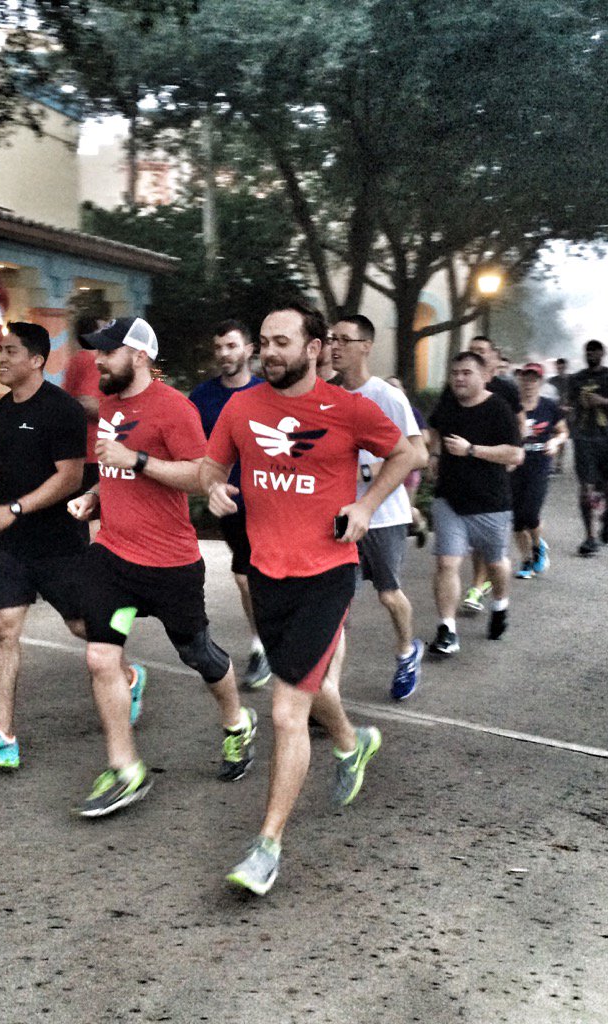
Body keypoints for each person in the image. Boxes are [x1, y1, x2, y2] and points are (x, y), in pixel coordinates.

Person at [201, 302, 415, 896]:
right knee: (312, 682)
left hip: (328, 572)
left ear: (314, 347)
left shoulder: (348, 410)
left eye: (282, 342)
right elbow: (208, 466)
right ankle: (353, 743)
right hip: (269, 576)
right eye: (264, 342)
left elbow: (408, 453)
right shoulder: (243, 407)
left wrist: (367, 507)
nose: (269, 352)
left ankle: (266, 847)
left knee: (284, 710)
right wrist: (215, 488)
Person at [67, 316, 256, 818]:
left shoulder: (177, 409)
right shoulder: (108, 405)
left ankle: (237, 722)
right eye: (97, 352)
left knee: (200, 656)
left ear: (141, 357)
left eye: (108, 352)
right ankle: (126, 768)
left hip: (171, 564)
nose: (98, 361)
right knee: (100, 658)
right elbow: (112, 472)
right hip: (113, 556)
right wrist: (93, 497)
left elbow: (202, 476)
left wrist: (138, 461)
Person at [0, 322, 145, 770]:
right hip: (14, 545)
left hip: (58, 543)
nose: (1, 359)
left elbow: (70, 478)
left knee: (81, 626)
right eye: (0, 351)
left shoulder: (62, 410)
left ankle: (128, 676)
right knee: (3, 628)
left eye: (10, 351)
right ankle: (2, 737)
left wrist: (10, 510)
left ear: (36, 360)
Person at [330, 316, 429, 700]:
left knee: (389, 594)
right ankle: (329, 695)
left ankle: (407, 652)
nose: (334, 346)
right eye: (331, 339)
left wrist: (369, 467)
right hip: (341, 514)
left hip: (385, 514)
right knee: (339, 607)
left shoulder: (387, 395)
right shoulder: (327, 394)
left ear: (366, 346)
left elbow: (418, 454)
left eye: (344, 339)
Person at [189, 319, 270, 689]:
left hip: (272, 500)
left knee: (263, 575)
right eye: (220, 347)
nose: (224, 354)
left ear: (249, 350)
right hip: (229, 503)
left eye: (232, 346)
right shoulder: (202, 397)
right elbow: (190, 449)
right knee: (244, 577)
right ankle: (262, 645)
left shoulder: (268, 393)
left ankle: (272, 644)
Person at [427, 351, 524, 656]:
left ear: (484, 376)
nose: (459, 378)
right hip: (449, 499)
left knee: (496, 563)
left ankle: (500, 605)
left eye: (466, 372)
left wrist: (471, 450)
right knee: (447, 562)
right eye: (455, 372)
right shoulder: (447, 404)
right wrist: (432, 454)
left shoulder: (498, 409)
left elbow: (515, 455)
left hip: (491, 502)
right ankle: (447, 629)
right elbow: (434, 429)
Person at [459, 336, 523, 613]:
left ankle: (481, 585)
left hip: (499, 468)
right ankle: (478, 582)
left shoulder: (505, 390)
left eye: (482, 352)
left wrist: (510, 459)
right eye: (473, 351)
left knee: (492, 539)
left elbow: (518, 424)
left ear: (494, 358)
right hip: (468, 470)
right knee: (476, 539)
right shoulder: (459, 386)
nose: (477, 355)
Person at [568, 340, 608, 556]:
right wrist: (571, 421)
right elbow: (570, 406)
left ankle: (606, 519)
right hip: (584, 438)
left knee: (607, 486)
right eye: (588, 351)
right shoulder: (576, 379)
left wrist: (602, 401)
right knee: (586, 487)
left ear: (602, 353)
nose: (591, 355)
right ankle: (589, 537)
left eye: (595, 351)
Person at [511, 363, 568, 579]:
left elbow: (563, 431)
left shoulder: (549, 407)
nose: (529, 383)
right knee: (516, 520)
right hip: (514, 465)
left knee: (530, 513)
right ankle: (526, 561)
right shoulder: (511, 406)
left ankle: (537, 545)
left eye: (534, 379)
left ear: (540, 382)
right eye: (526, 378)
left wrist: (555, 441)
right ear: (520, 380)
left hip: (539, 465)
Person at [62, 313, 107, 539]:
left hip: (82, 451)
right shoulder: (91, 359)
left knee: (84, 516)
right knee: (95, 516)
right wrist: (118, 414)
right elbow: (86, 402)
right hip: (94, 452)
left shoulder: (75, 360)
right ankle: (95, 567)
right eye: (104, 330)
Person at [387, 375, 431, 546]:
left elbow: (425, 437)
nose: (392, 390)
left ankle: (418, 523)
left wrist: (405, 441)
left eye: (396, 386)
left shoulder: (411, 412)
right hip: (386, 466)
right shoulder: (380, 410)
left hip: (409, 469)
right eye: (388, 386)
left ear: (404, 391)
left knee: (403, 507)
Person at [547, 357, 572, 473]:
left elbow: (574, 396)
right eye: (558, 367)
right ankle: (553, 463)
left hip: (567, 413)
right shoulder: (552, 381)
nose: (560, 369)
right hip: (554, 412)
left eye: (562, 367)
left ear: (565, 367)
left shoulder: (571, 380)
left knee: (563, 438)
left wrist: (570, 407)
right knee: (553, 437)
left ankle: (558, 463)